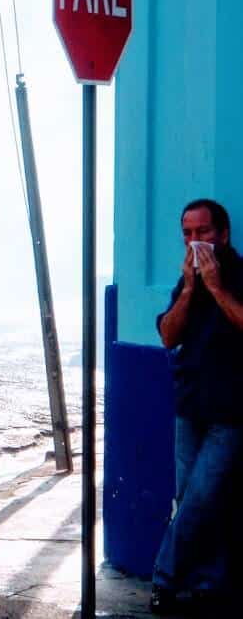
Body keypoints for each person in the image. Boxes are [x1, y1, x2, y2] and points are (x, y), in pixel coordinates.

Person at [151, 199, 243, 614]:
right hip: (190, 406)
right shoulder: (185, 280)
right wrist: (190, 288)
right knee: (193, 497)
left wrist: (218, 287)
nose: (194, 241)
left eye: (203, 232)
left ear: (222, 234)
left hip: (232, 410)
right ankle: (208, 583)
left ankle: (164, 578)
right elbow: (169, 336)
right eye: (187, 234)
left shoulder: (238, 275)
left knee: (202, 497)